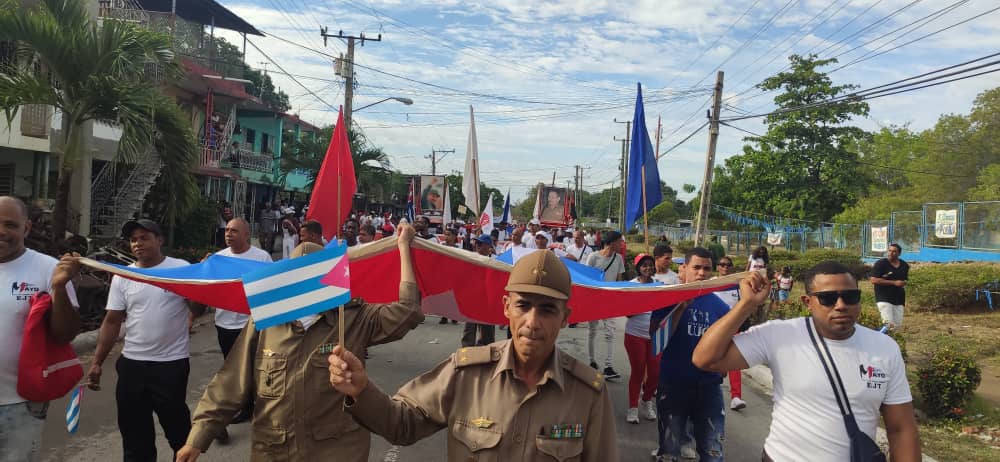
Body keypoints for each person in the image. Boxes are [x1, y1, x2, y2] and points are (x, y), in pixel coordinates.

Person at [327, 250, 619, 461]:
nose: (532, 322)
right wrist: (362, 391)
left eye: (547, 309)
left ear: (565, 317)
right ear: (506, 307)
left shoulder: (588, 395)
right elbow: (402, 425)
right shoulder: (466, 373)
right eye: (523, 306)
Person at [176, 225, 425, 462]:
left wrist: (403, 247)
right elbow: (230, 383)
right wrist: (198, 438)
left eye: (315, 275)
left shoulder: (353, 318)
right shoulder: (265, 321)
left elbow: (407, 312)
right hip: (273, 451)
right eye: (300, 276)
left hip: (337, 452)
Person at [693, 261, 921, 461]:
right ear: (807, 302)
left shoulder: (884, 349)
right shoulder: (779, 335)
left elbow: (901, 429)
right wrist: (747, 305)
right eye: (828, 298)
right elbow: (706, 359)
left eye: (850, 297)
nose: (840, 305)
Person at [89, 219, 206, 461]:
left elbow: (199, 308)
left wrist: (196, 284)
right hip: (132, 365)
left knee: (178, 433)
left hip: (170, 366)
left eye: (144, 237)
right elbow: (112, 321)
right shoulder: (124, 275)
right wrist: (97, 361)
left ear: (159, 240)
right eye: (133, 239)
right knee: (134, 437)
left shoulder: (179, 268)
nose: (138, 243)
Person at [0, 196, 81, 461]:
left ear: (27, 228)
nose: (2, 231)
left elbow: (65, 334)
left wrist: (58, 288)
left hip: (19, 404)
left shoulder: (48, 269)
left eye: (10, 225)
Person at [649, 247, 731, 462]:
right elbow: (656, 342)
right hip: (673, 387)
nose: (702, 273)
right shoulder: (667, 299)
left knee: (713, 452)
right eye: (696, 267)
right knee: (670, 451)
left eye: (707, 268)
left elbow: (726, 346)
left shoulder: (721, 307)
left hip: (709, 390)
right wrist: (679, 308)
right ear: (684, 268)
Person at [207, 218, 272, 433]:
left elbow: (270, 286)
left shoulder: (261, 257)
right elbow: (207, 285)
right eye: (226, 230)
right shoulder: (218, 259)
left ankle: (260, 407)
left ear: (246, 234)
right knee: (233, 367)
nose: (228, 234)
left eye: (234, 231)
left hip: (251, 323)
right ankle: (243, 407)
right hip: (224, 323)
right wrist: (204, 265)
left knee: (255, 366)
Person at [624, 254, 660, 424]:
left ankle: (646, 401)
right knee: (638, 371)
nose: (648, 268)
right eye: (644, 265)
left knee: (655, 373)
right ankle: (633, 408)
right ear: (638, 268)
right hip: (635, 335)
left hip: (655, 337)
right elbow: (627, 313)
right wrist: (641, 302)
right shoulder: (631, 286)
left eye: (650, 265)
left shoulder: (660, 286)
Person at [584, 231, 625, 379]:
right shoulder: (593, 257)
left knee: (610, 332)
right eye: (619, 242)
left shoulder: (618, 258)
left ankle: (608, 366)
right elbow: (586, 279)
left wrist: (618, 299)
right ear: (611, 242)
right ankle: (592, 361)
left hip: (609, 301)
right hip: (594, 300)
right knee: (592, 330)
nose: (622, 245)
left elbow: (619, 280)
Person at [713, 255, 745, 411]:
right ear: (717, 266)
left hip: (733, 327)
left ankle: (736, 397)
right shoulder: (711, 284)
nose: (725, 267)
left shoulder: (737, 285)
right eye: (722, 264)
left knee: (734, 361)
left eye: (728, 265)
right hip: (713, 327)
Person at [461, 235, 498, 348]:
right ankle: (466, 353)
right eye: (477, 243)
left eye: (480, 243)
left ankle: (488, 353)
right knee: (469, 329)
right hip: (473, 298)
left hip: (488, 300)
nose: (477, 245)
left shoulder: (496, 262)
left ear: (488, 247)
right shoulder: (471, 258)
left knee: (488, 333)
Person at [870, 243, 909, 329]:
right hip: (884, 298)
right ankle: (882, 340)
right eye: (889, 250)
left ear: (899, 254)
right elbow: (873, 280)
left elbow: (904, 280)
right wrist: (894, 283)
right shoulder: (881, 263)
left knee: (897, 325)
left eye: (894, 251)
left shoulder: (904, 265)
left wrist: (903, 283)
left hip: (899, 299)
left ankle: (890, 340)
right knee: (888, 324)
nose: (891, 253)